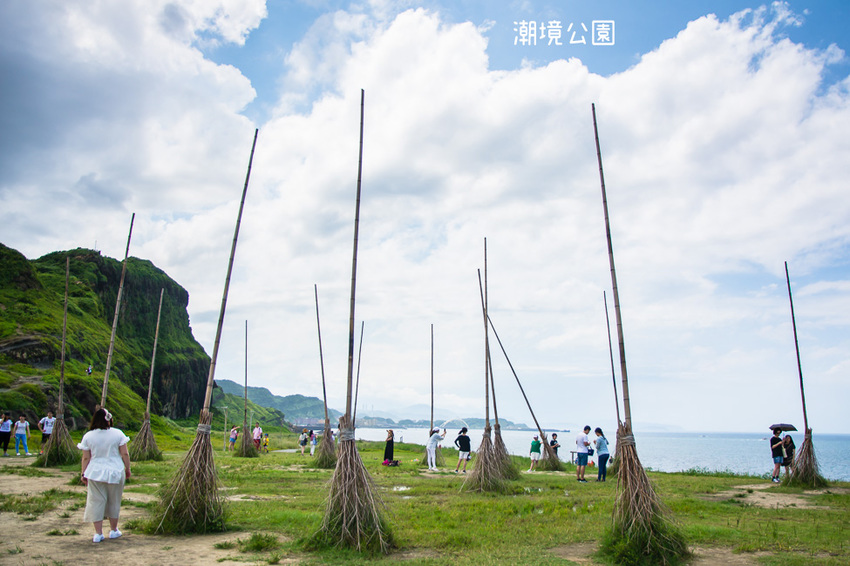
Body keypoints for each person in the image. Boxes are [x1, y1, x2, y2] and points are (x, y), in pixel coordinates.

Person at [78, 408, 131, 543]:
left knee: (96, 500)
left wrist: (83, 473)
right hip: (115, 470)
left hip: (95, 471)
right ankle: (113, 530)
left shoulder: (89, 436)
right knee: (114, 500)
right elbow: (125, 453)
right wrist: (128, 468)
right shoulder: (118, 434)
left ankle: (98, 533)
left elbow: (86, 458)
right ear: (109, 419)